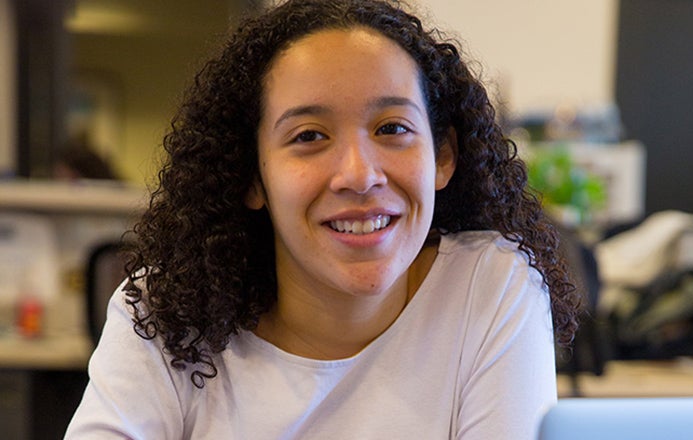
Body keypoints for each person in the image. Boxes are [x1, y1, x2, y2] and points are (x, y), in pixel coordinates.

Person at [65, 0, 579, 438]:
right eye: (309, 136)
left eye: (392, 127)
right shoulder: (164, 313)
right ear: (252, 176)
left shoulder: (489, 286)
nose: (359, 175)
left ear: (442, 157)